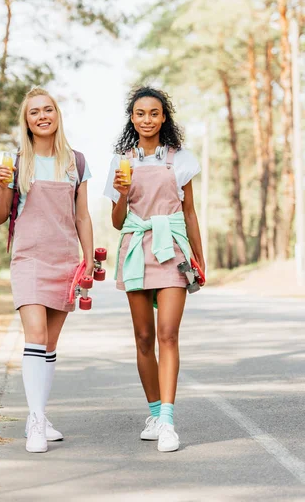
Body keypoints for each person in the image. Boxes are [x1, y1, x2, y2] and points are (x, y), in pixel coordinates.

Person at [103, 86, 205, 453]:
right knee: (144, 338)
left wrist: (199, 257)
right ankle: (153, 412)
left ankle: (168, 421)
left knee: (168, 335)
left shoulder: (181, 159)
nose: (147, 119)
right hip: (135, 250)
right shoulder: (121, 162)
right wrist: (123, 192)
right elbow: (117, 221)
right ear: (132, 119)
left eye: (154, 113)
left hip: (173, 248)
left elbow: (189, 211)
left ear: (164, 118)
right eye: (140, 114)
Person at [0, 86, 93, 453]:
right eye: (34, 112)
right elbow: (1, 215)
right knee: (34, 335)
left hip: (65, 260)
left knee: (49, 343)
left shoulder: (76, 162)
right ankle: (35, 422)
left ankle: (40, 414)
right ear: (27, 121)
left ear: (57, 115)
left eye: (47, 109)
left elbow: (82, 216)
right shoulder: (17, 162)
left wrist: (88, 260)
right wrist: (2, 186)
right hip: (29, 258)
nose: (42, 116)